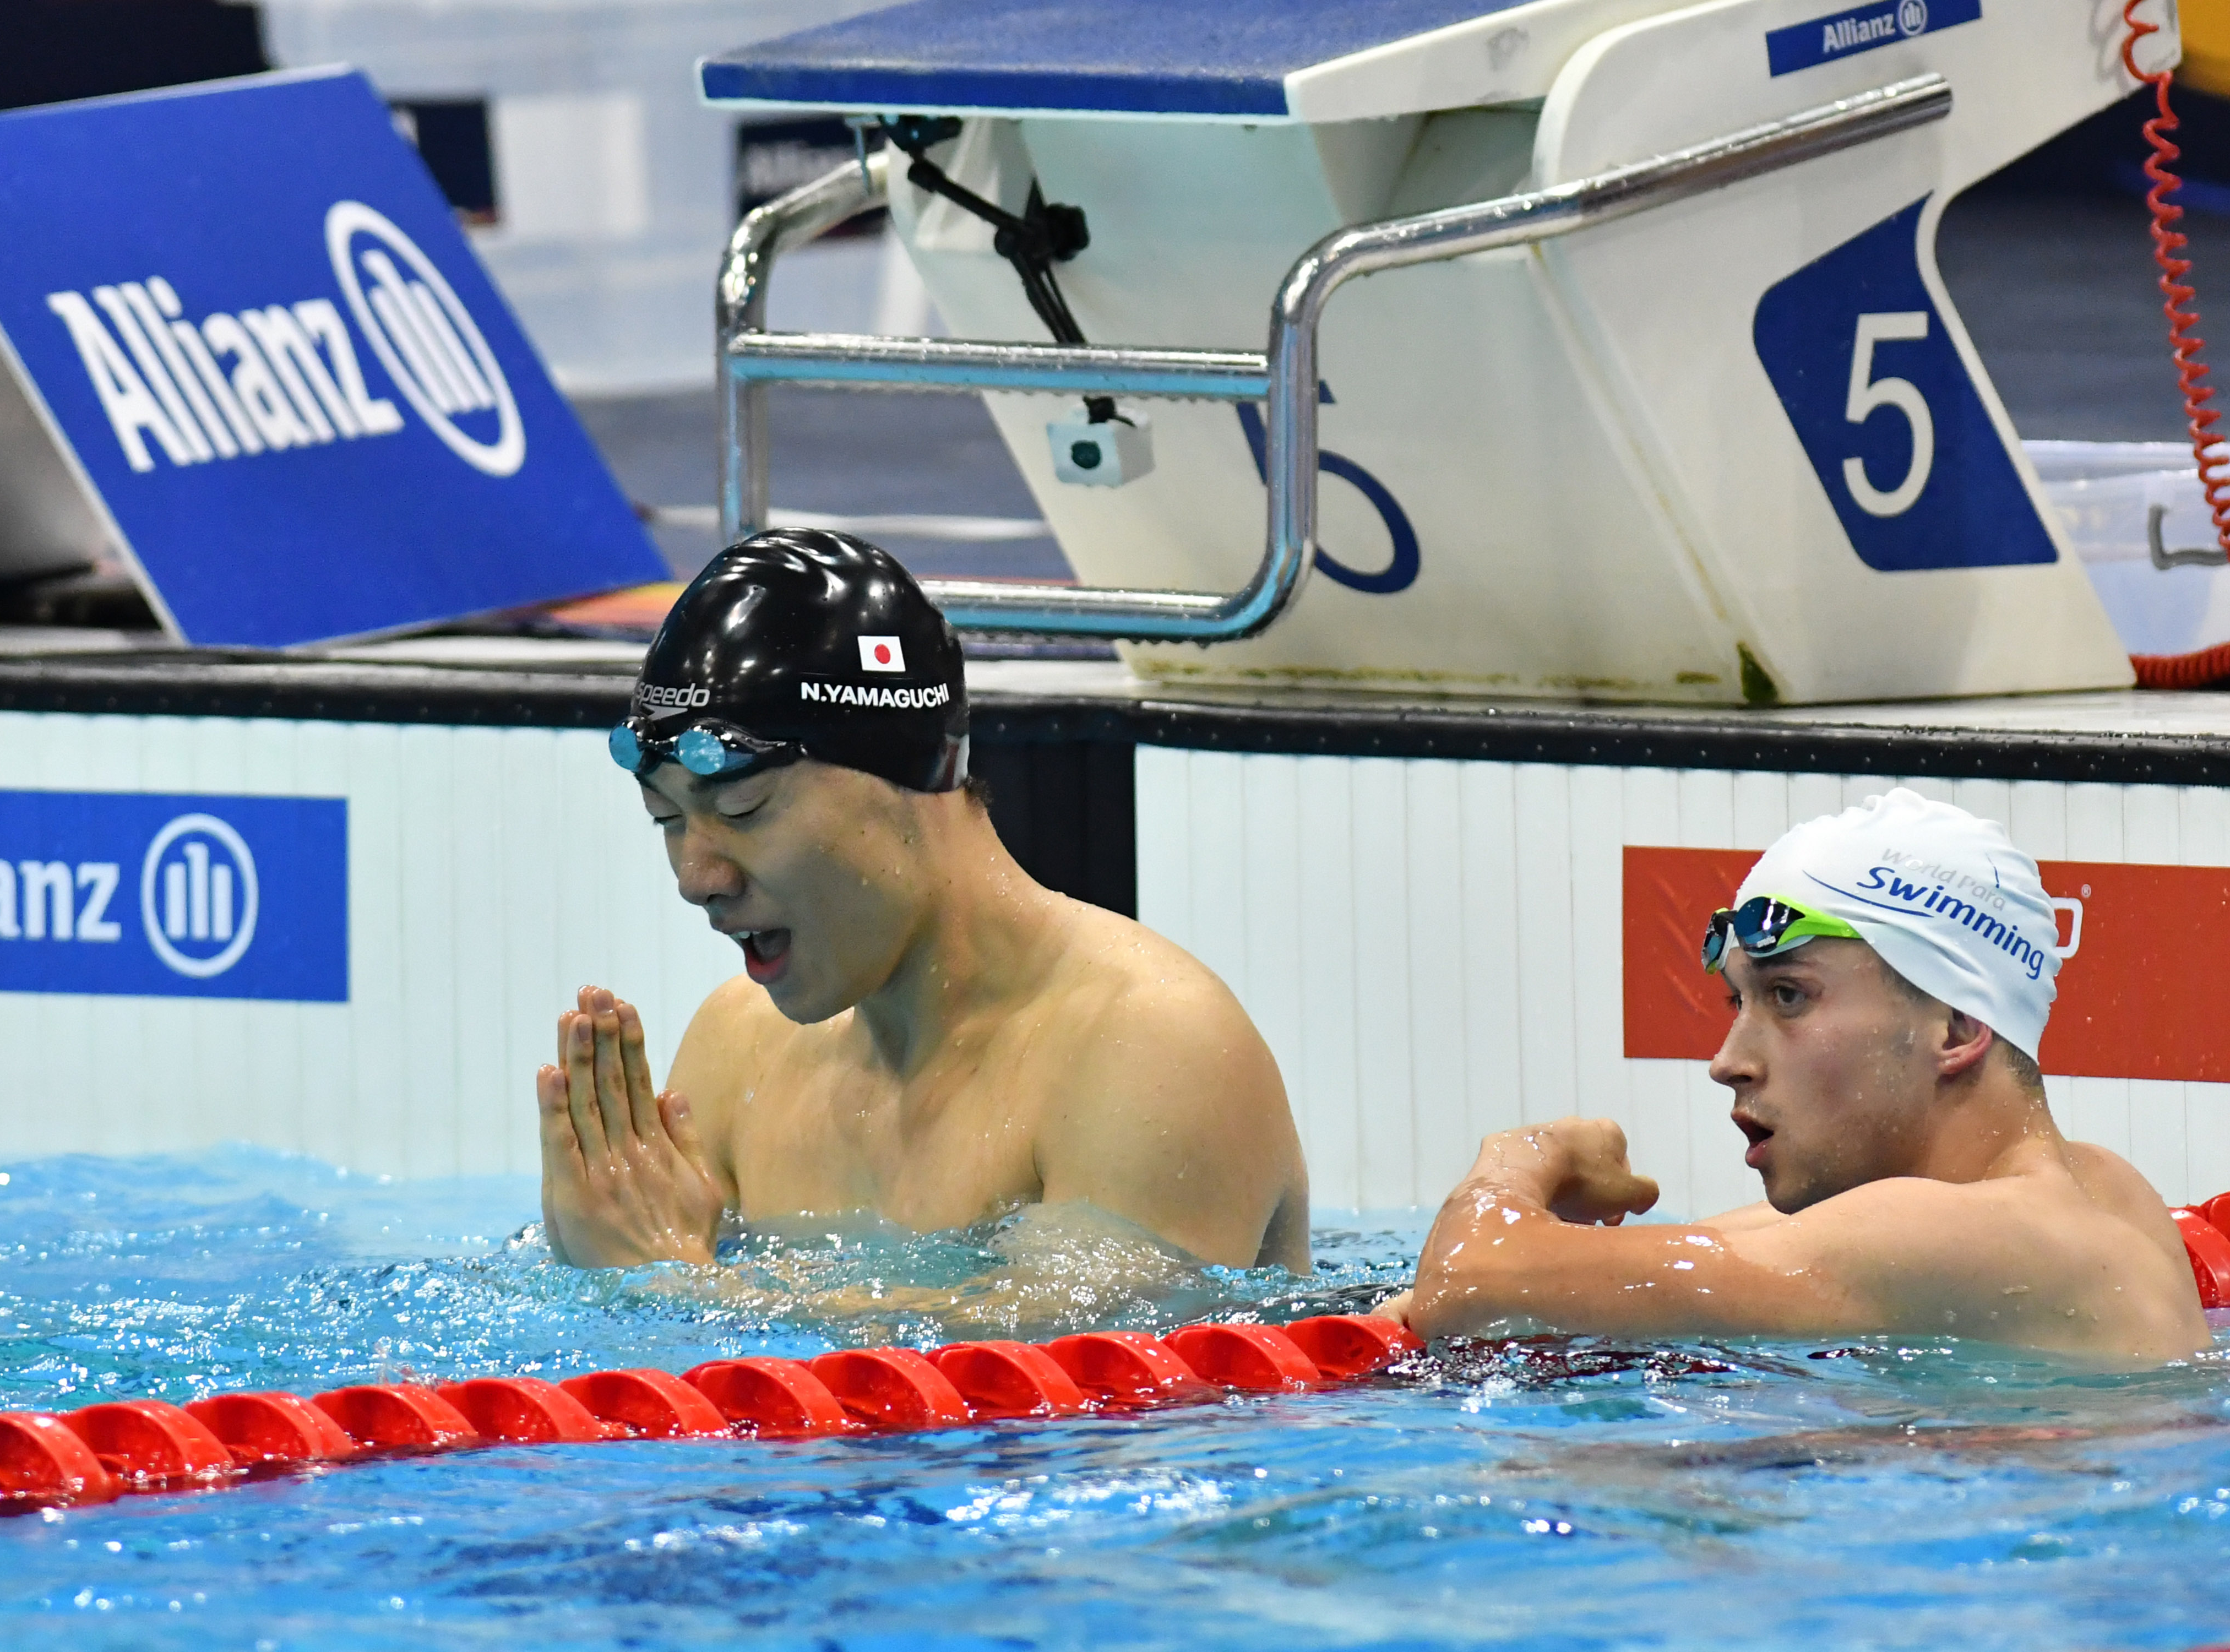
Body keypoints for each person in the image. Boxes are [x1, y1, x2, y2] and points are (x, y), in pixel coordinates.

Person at [535, 529, 1310, 1276]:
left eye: (742, 809)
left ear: (905, 780)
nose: (696, 875)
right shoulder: (738, 1047)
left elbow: (1078, 1385)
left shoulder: (1149, 1050)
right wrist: (596, 1255)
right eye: (666, 818)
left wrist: (674, 1285)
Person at [1374, 789, 2207, 1366]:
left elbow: (1469, 1282)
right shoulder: (2101, 1188)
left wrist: (1526, 1156)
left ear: (1956, 1027)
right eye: (1739, 1000)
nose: (1728, 1060)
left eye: (1789, 997)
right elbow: (1693, 1258)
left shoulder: (1964, 1237)